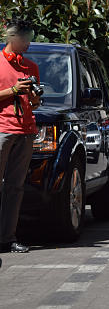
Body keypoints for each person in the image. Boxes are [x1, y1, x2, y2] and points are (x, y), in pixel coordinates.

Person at [0, 18, 40, 255]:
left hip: (25, 131)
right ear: (13, 38)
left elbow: (33, 104)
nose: (29, 44)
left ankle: (7, 238)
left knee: (15, 188)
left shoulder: (30, 66)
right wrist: (14, 90)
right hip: (2, 129)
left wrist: (34, 97)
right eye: (25, 39)